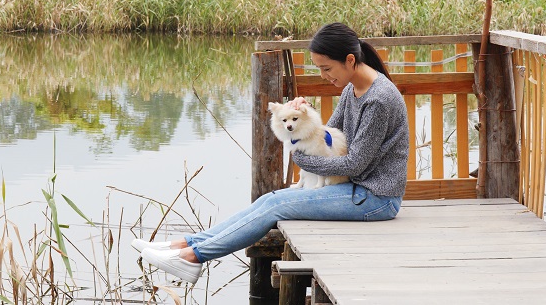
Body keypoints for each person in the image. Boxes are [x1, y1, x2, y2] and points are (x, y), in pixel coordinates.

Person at [133, 22, 409, 284]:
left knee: (276, 206)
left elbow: (356, 164)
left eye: (327, 68)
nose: (324, 76)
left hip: (375, 199)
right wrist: (303, 114)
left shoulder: (378, 100)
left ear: (350, 60)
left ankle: (193, 257)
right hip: (355, 191)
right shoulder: (354, 88)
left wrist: (300, 158)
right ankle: (184, 245)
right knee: (270, 199)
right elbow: (327, 134)